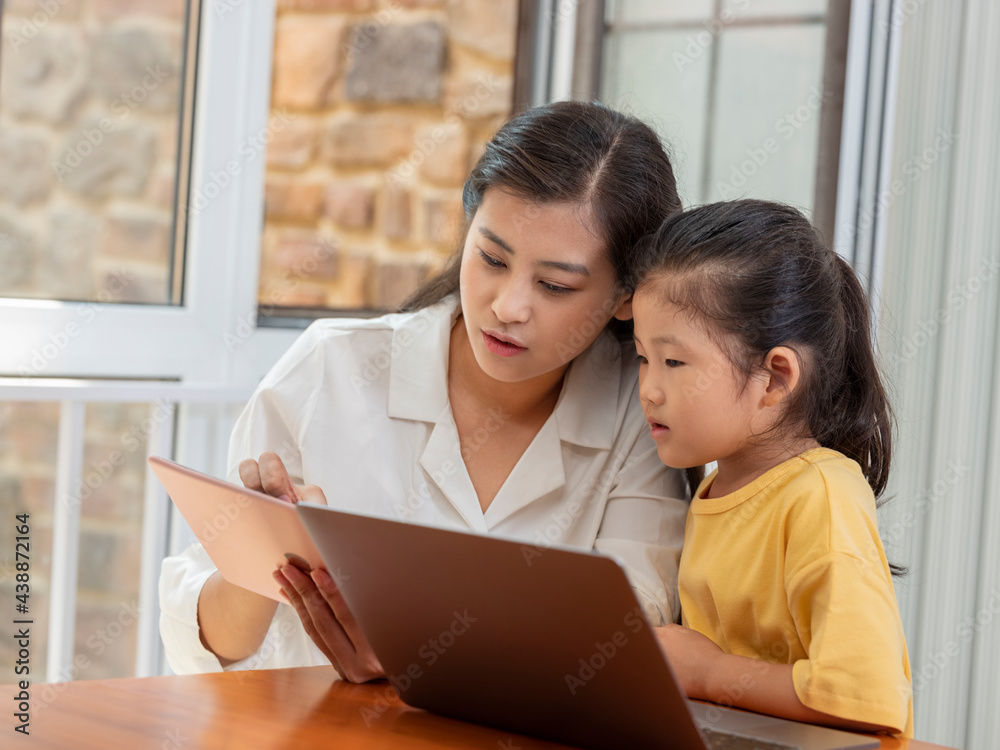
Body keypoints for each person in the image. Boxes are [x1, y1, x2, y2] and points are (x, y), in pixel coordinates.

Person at [159, 101, 690, 681]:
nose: (508, 307)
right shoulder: (330, 368)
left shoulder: (639, 416)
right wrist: (266, 550)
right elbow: (208, 648)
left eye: (556, 286)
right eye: (490, 257)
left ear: (625, 298)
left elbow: (629, 644)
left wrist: (416, 660)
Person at [632, 199, 913, 736]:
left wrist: (709, 672)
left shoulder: (821, 495)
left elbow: (865, 698)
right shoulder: (716, 489)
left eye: (673, 362)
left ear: (775, 378)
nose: (648, 388)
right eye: (643, 358)